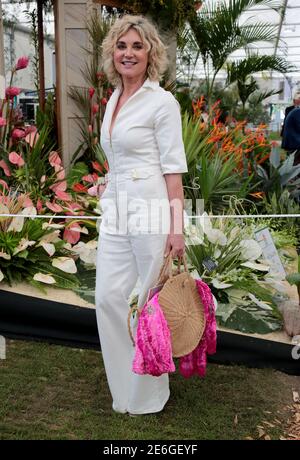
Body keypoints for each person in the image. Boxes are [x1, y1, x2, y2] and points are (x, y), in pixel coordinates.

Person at [95, 15, 188, 416]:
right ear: (111, 53)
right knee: (108, 298)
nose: (128, 53)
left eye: (137, 46)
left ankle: (148, 396)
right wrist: (106, 184)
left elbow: (173, 170)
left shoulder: (161, 101)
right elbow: (118, 158)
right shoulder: (113, 99)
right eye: (121, 46)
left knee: (147, 305)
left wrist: (177, 227)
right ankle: (124, 390)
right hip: (115, 211)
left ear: (150, 53)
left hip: (150, 209)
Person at [281, 95, 300, 165]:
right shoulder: (298, 111)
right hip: (294, 143)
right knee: (294, 164)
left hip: (293, 142)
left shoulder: (296, 111)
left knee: (292, 163)